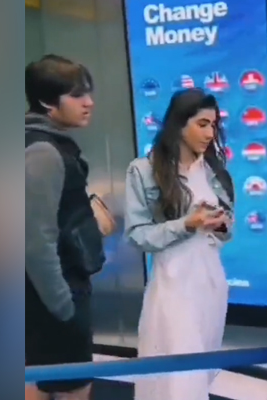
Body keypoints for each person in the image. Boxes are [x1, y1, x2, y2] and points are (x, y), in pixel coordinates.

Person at [124, 88, 234, 400]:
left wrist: (221, 225)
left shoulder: (214, 171)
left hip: (211, 283)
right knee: (181, 381)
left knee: (200, 373)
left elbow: (226, 232)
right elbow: (137, 234)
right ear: (179, 124)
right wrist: (186, 224)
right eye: (202, 124)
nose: (210, 133)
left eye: (213, 125)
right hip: (174, 286)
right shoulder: (144, 170)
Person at [25, 55, 107, 400]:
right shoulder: (43, 150)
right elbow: (33, 240)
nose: (88, 103)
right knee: (70, 386)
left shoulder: (43, 142)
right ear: (47, 102)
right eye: (76, 95)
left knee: (39, 380)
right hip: (54, 295)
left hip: (48, 292)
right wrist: (63, 306)